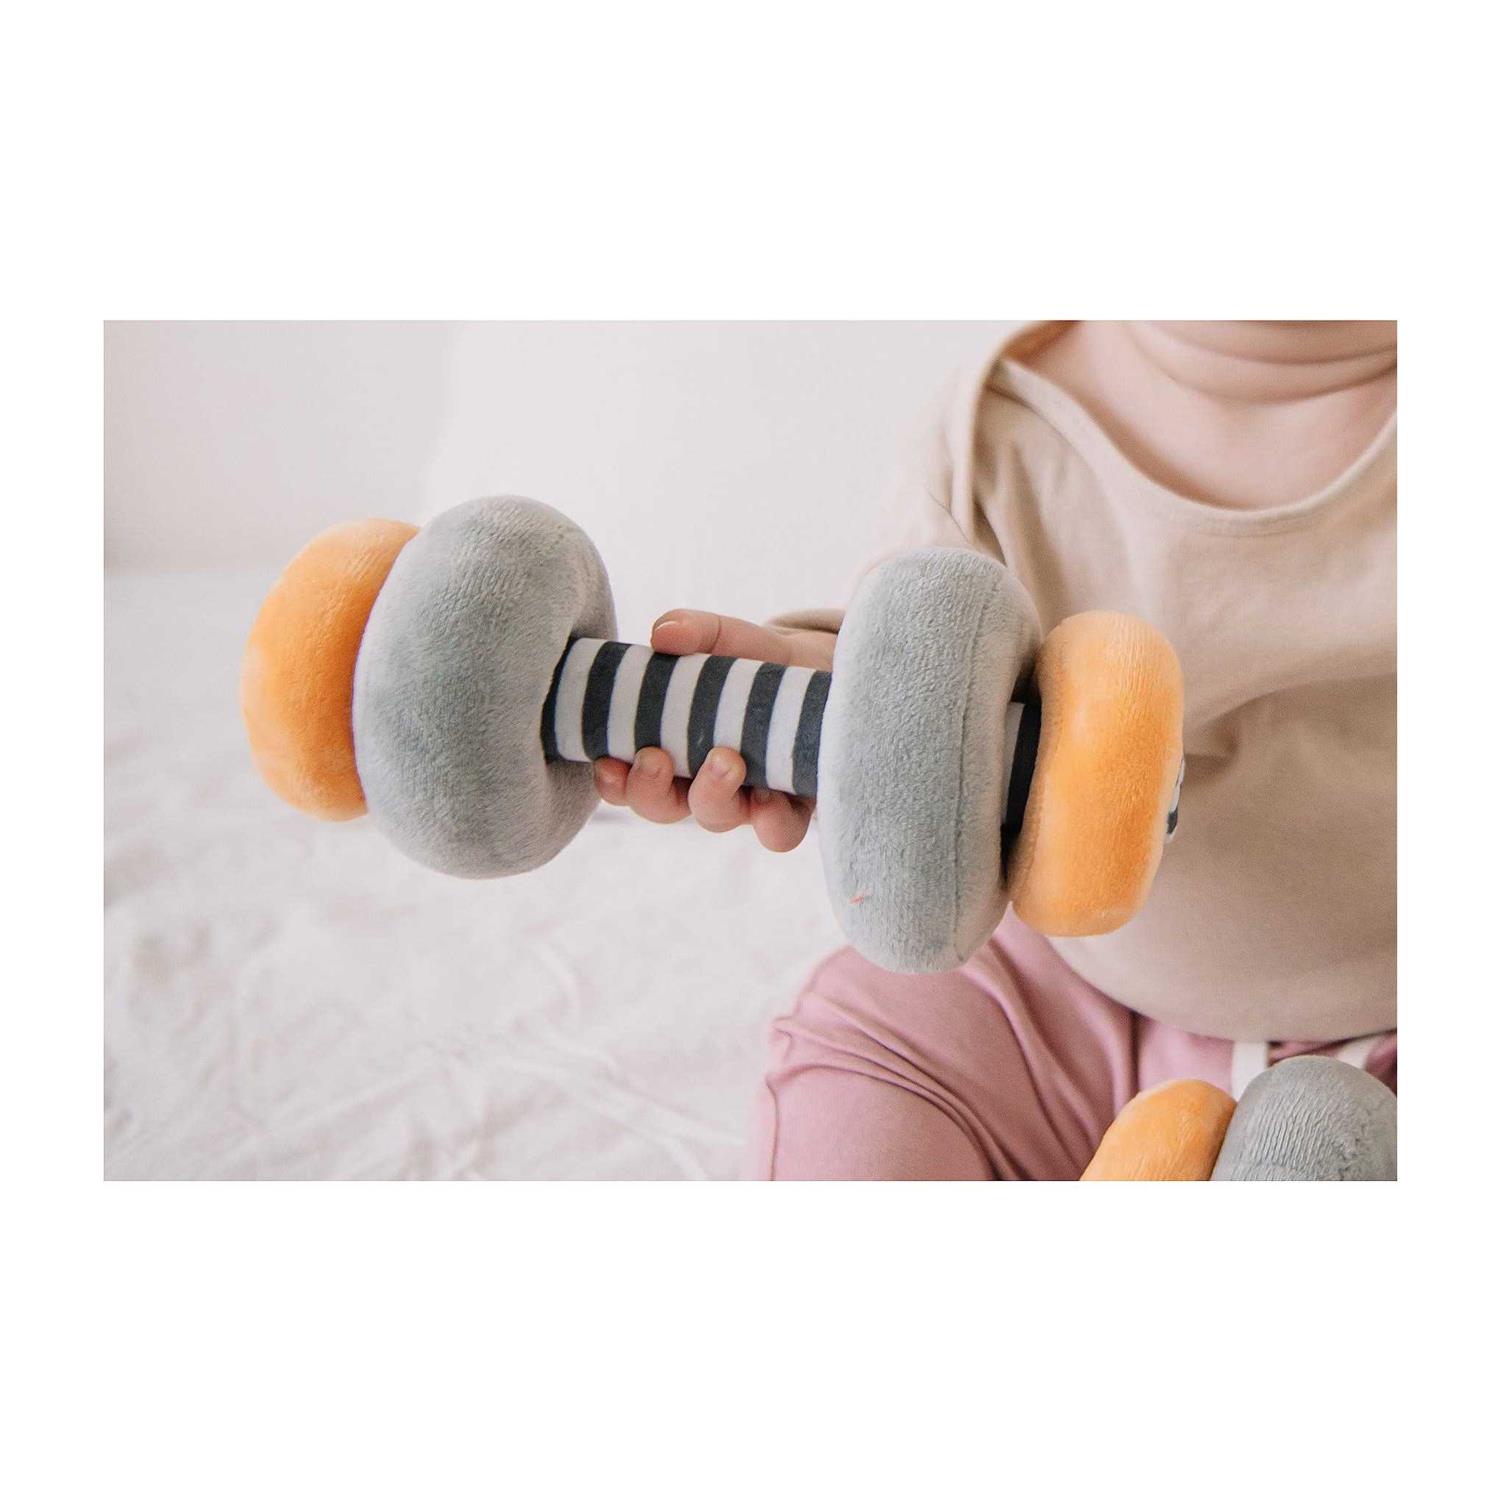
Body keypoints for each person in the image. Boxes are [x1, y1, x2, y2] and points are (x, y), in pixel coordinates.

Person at [594, 321, 1397, 1179]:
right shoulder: (988, 435)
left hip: (1392, 1012)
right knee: (868, 1044)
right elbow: (911, 692)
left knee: (1339, 1154)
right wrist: (798, 693)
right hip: (1057, 993)